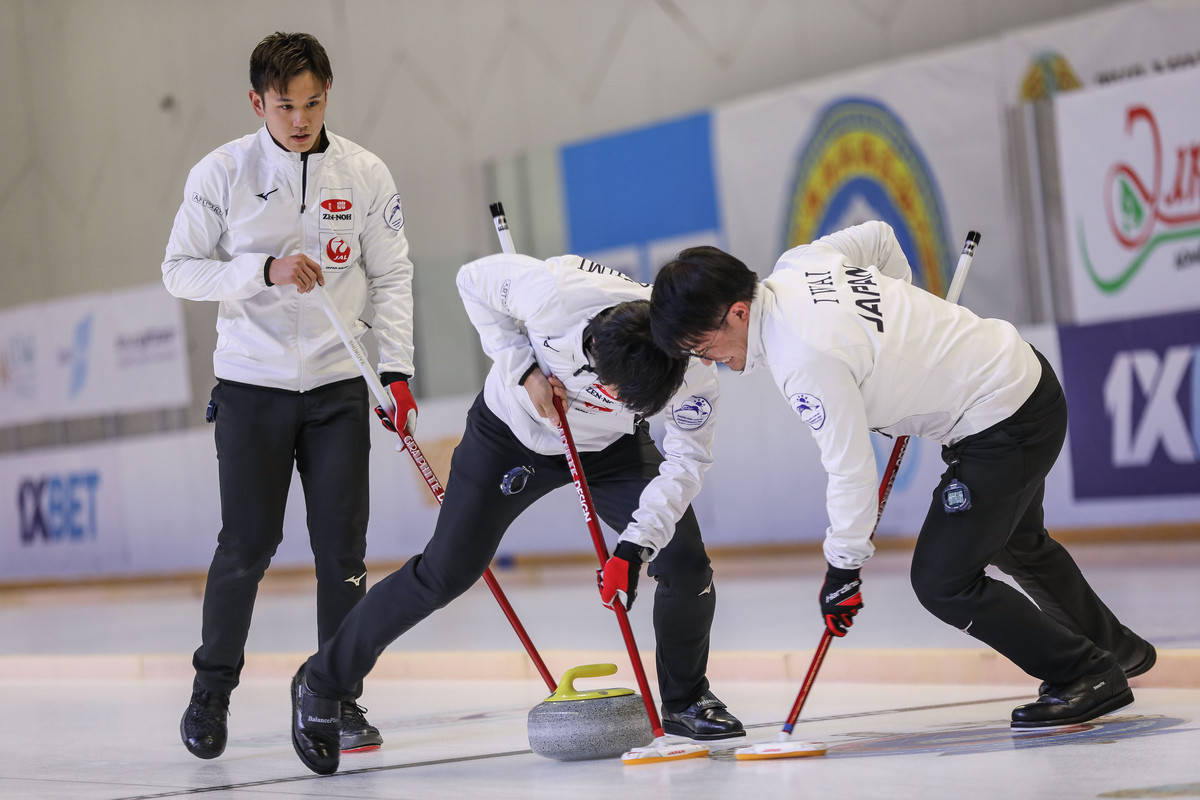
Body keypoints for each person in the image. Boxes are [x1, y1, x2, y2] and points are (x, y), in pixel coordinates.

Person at [647, 221, 1155, 730]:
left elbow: (850, 469)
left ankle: (1085, 673)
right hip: (1021, 378)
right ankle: (1115, 650)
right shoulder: (800, 264)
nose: (710, 360)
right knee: (1014, 541)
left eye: (704, 345)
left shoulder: (801, 358)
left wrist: (842, 569)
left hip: (1003, 419)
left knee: (943, 581)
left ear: (738, 312)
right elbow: (879, 236)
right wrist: (899, 329)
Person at [287, 252, 743, 775]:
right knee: (444, 573)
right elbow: (471, 279)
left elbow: (686, 463)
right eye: (617, 395)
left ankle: (685, 700)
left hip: (612, 452)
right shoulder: (555, 295)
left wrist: (634, 547)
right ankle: (322, 683)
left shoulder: (692, 365)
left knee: (683, 560)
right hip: (510, 433)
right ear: (594, 357)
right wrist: (524, 369)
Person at [162, 31, 418, 759]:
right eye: (285, 106)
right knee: (247, 546)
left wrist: (396, 372)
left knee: (343, 551)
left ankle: (336, 695)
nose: (300, 119)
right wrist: (260, 270)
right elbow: (179, 269)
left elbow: (393, 275)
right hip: (253, 387)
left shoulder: (364, 172)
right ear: (257, 103)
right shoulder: (223, 172)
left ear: (326, 95)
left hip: (338, 386)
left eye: (312, 103)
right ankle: (211, 692)